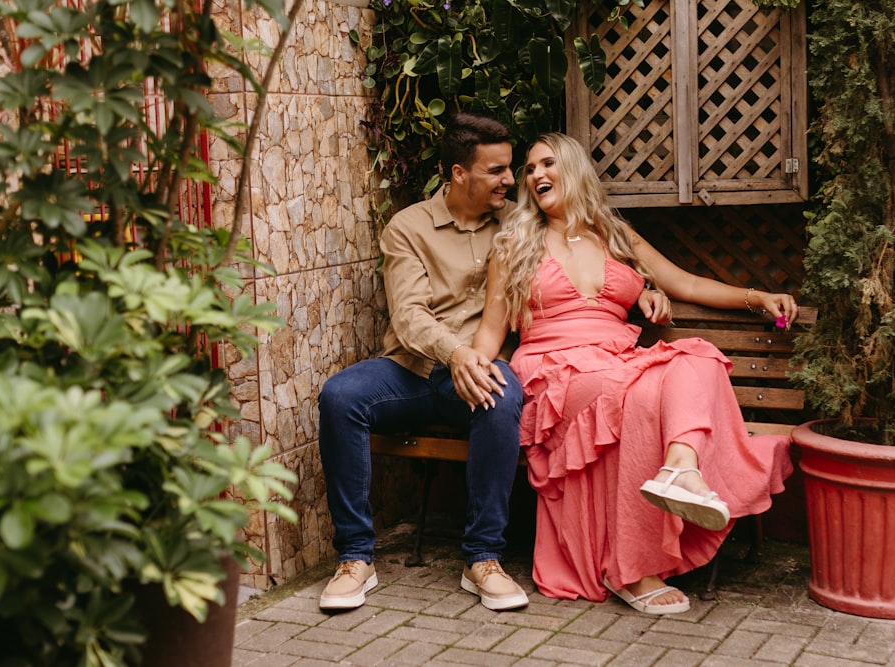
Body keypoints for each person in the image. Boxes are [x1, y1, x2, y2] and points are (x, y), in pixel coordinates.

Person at [463, 132, 798, 614]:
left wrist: (756, 296)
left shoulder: (614, 235)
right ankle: (634, 570)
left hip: (617, 358)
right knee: (634, 395)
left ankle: (681, 470)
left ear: (575, 168)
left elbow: (682, 282)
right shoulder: (514, 244)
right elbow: (493, 327)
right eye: (530, 169)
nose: (535, 175)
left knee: (696, 357)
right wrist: (475, 365)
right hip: (555, 371)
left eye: (547, 163)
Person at [317, 113, 529, 612]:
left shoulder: (519, 221)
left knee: (501, 398)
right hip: (413, 371)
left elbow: (588, 248)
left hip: (478, 373)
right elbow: (408, 315)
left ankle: (483, 558)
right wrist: (454, 352)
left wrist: (646, 286)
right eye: (496, 170)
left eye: (509, 169)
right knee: (340, 396)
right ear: (459, 173)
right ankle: (354, 557)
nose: (509, 180)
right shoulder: (408, 227)